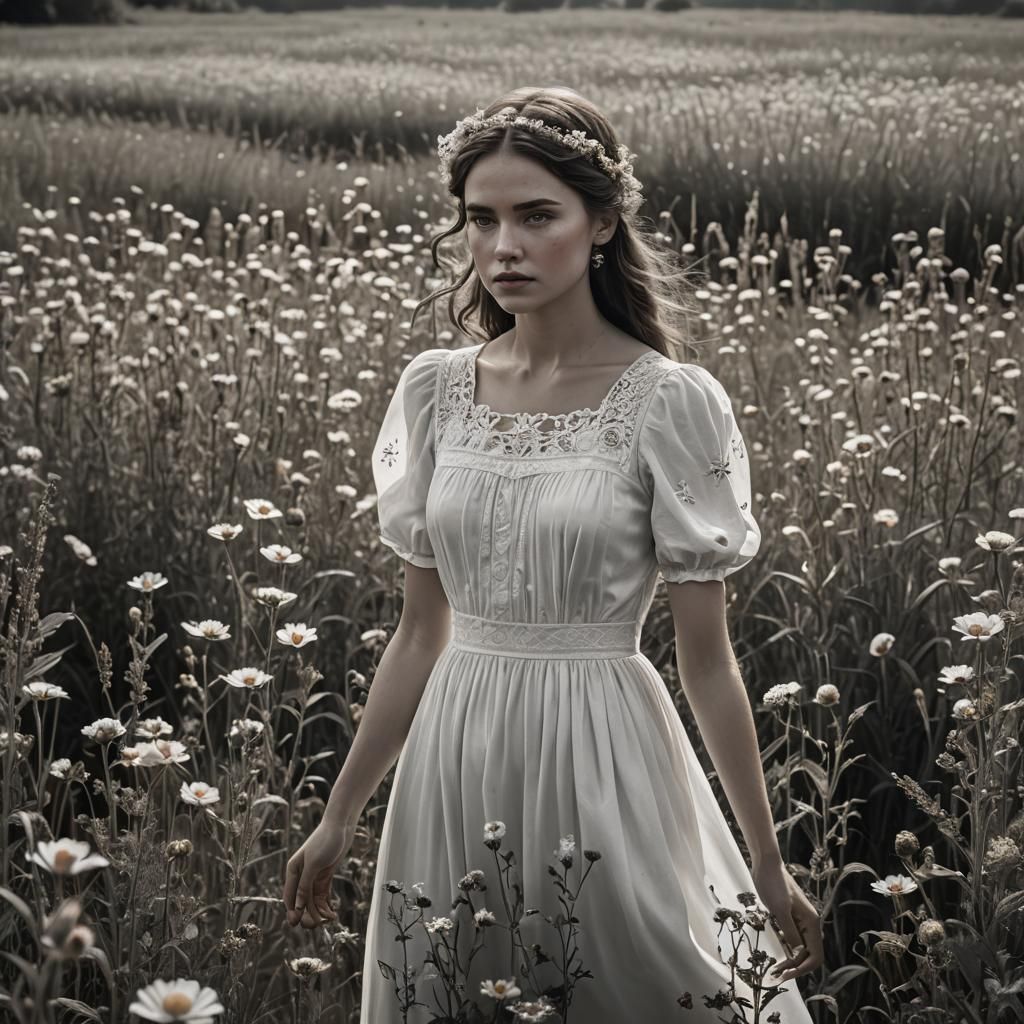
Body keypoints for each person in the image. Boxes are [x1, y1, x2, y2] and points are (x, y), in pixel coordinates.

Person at [283, 86, 823, 1022]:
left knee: (650, 980)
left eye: (537, 216)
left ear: (603, 221)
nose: (504, 247)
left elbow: (707, 663)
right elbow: (419, 633)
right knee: (461, 983)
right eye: (480, 219)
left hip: (604, 748)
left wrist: (767, 864)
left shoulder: (669, 400)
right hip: (455, 746)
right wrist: (339, 814)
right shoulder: (434, 391)